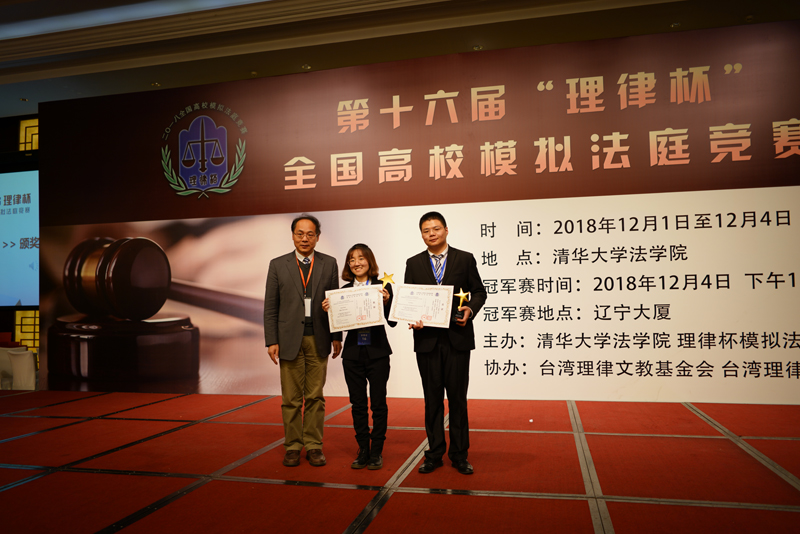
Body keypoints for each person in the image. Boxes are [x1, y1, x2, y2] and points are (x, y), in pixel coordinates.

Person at [405, 211, 486, 475]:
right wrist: (413, 318)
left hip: (457, 339)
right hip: (427, 341)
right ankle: (434, 454)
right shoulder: (413, 263)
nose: (432, 234)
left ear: (446, 230)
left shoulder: (464, 258)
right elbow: (410, 299)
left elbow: (479, 291)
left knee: (458, 400)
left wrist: (470, 309)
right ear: (421, 234)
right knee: (432, 401)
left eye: (436, 228)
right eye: (426, 230)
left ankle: (460, 455)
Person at [264, 214, 342, 467]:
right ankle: (293, 446)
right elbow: (271, 306)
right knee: (291, 399)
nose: (305, 239)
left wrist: (336, 336)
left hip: (319, 337)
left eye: (310, 234)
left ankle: (314, 445)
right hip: (288, 339)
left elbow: (335, 303)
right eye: (300, 234)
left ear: (318, 237)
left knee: (316, 397)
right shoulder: (278, 265)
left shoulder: (329, 263)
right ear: (293, 236)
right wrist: (271, 340)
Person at [323, 244, 396, 470]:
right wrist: (330, 310)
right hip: (353, 354)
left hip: (378, 353)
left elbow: (393, 321)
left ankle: (377, 451)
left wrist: (386, 302)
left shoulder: (383, 286)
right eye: (352, 259)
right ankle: (363, 449)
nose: (357, 263)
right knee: (357, 404)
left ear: (369, 261)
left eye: (361, 258)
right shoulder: (342, 291)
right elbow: (339, 324)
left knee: (379, 403)